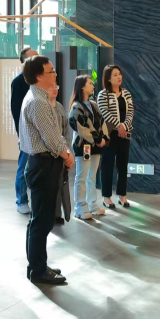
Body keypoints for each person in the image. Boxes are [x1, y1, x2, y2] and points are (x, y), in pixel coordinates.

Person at [19, 55, 74, 285]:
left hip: (43, 163)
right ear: (39, 76)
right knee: (41, 221)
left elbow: (55, 132)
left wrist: (64, 154)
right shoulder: (38, 102)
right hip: (43, 165)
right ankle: (38, 270)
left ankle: (37, 265)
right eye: (51, 71)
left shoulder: (40, 98)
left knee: (40, 220)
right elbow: (51, 138)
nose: (55, 74)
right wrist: (67, 156)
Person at [69, 75, 109, 220]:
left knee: (92, 176)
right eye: (90, 83)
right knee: (82, 176)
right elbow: (79, 127)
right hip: (83, 146)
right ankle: (80, 207)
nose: (93, 86)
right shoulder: (76, 106)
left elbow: (102, 122)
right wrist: (96, 139)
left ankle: (92, 204)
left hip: (96, 147)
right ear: (82, 87)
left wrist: (104, 138)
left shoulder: (94, 104)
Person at [97, 65, 134, 210]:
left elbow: (130, 112)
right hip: (109, 135)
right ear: (108, 78)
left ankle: (122, 195)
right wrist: (118, 125)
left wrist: (124, 126)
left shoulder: (126, 93)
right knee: (107, 166)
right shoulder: (103, 95)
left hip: (124, 134)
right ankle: (106, 197)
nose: (119, 77)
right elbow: (104, 112)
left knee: (123, 166)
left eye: (120, 74)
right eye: (115, 75)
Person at [11, 46, 38, 215]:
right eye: (33, 57)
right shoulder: (18, 82)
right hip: (26, 133)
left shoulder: (39, 80)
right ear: (24, 62)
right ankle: (21, 200)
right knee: (23, 167)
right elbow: (16, 111)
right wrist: (21, 134)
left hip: (40, 132)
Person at [48, 84, 71, 225]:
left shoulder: (60, 107)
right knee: (51, 186)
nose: (55, 89)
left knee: (60, 184)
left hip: (62, 151)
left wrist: (66, 150)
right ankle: (50, 214)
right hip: (50, 153)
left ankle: (58, 214)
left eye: (56, 86)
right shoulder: (44, 107)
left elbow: (66, 131)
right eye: (51, 87)